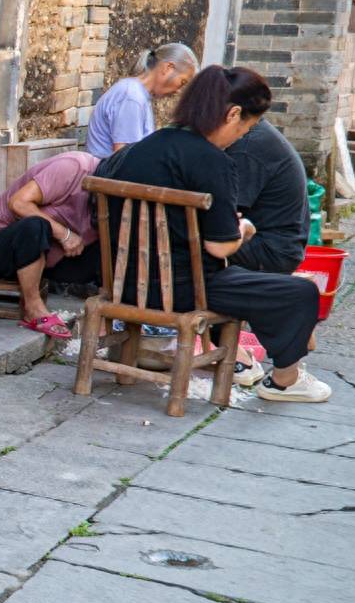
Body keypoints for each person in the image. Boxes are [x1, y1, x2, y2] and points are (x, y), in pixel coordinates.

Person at [95, 66, 331, 403]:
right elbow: (220, 248)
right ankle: (285, 381)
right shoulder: (214, 162)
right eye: (246, 127)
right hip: (183, 290)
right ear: (233, 114)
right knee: (301, 292)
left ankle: (241, 359)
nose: (241, 136)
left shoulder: (141, 147)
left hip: (120, 280)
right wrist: (243, 229)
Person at [0, 150, 102, 340]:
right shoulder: (74, 167)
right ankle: (33, 309)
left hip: (47, 254)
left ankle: (106, 319)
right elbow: (18, 203)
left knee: (109, 248)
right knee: (36, 225)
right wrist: (64, 234)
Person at [227, 120, 310, 275]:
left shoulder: (246, 147)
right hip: (282, 246)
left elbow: (225, 215)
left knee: (197, 243)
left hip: (271, 251)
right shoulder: (258, 132)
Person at [85, 43, 198, 156]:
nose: (178, 90)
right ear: (168, 68)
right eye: (182, 82)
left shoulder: (138, 94)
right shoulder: (131, 96)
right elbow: (123, 157)